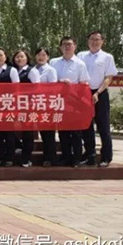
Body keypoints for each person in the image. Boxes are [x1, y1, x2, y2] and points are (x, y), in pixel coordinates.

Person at [78, 31, 117, 167]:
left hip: (100, 93)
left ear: (102, 41)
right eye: (92, 39)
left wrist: (98, 93)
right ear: (88, 41)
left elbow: (109, 78)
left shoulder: (107, 57)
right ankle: (90, 155)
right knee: (86, 126)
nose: (94, 42)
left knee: (103, 126)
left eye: (97, 39)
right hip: (83, 93)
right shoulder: (81, 55)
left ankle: (106, 156)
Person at [51, 36, 91, 168]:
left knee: (76, 132)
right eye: (64, 44)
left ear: (75, 46)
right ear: (60, 47)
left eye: (69, 44)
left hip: (75, 102)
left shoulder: (80, 64)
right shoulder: (54, 62)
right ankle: (66, 157)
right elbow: (49, 81)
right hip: (58, 102)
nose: (67, 47)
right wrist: (60, 82)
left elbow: (84, 84)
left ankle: (76, 159)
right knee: (63, 132)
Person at [12, 49, 41, 167]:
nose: (19, 59)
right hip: (13, 104)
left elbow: (37, 88)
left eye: (22, 56)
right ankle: (18, 146)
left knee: (27, 131)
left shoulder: (32, 71)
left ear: (27, 58)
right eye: (17, 57)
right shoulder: (14, 70)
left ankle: (26, 158)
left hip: (27, 105)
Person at [0, 47, 18, 166]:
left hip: (8, 105)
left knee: (9, 133)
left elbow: (17, 88)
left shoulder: (12, 70)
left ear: (6, 57)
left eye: (1, 55)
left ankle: (9, 158)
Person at [34, 47, 59, 167]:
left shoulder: (50, 70)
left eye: (44, 55)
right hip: (35, 104)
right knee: (41, 132)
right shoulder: (33, 69)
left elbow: (53, 88)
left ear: (48, 57)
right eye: (39, 55)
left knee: (48, 133)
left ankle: (50, 158)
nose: (41, 57)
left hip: (47, 105)